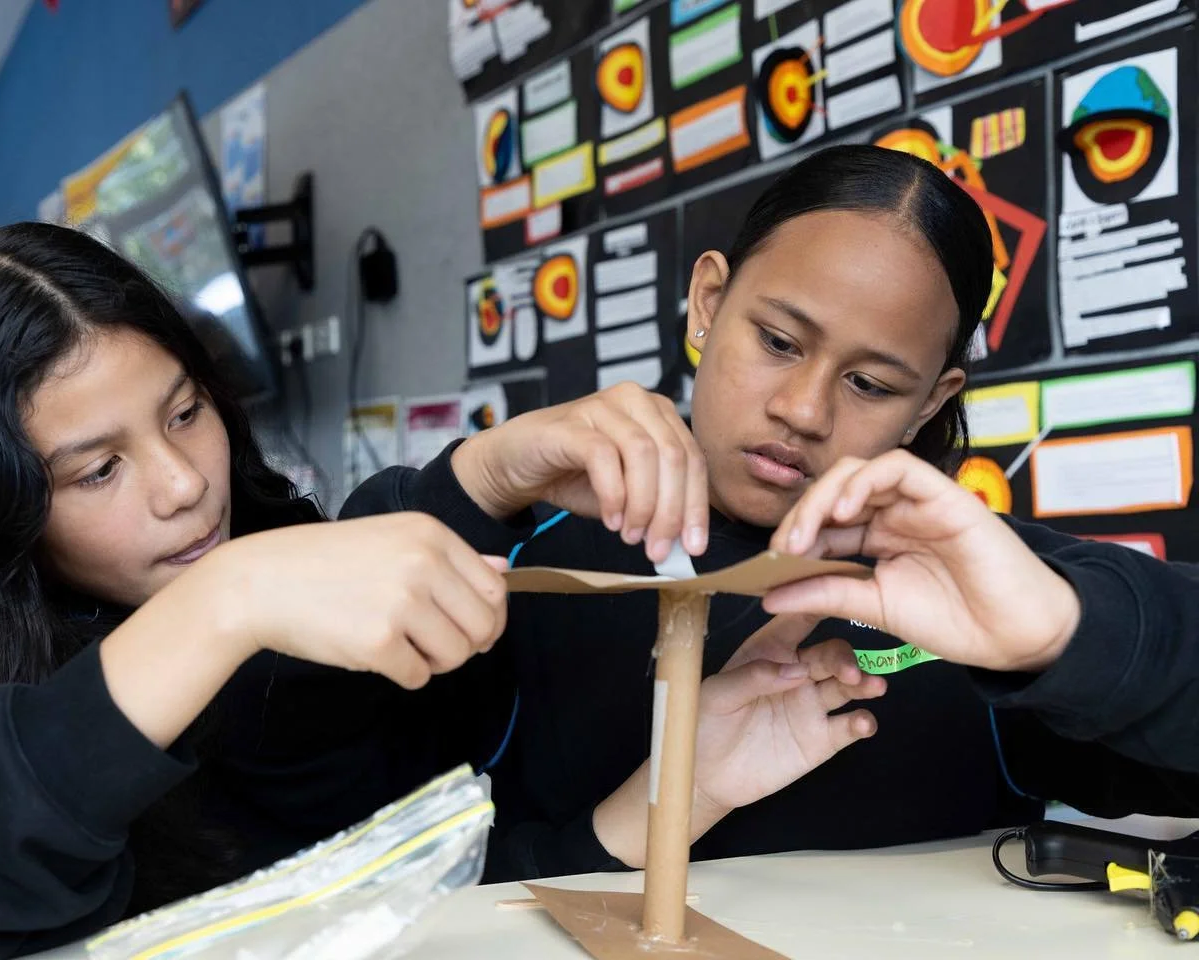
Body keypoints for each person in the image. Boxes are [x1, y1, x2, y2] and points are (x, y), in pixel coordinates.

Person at [0, 223, 858, 957]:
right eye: (97, 470)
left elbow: (404, 869)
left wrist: (684, 783)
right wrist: (221, 603)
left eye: (185, 409)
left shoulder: (282, 545)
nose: (185, 484)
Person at [345, 144, 1199, 881]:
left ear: (929, 402)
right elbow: (315, 801)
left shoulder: (981, 592)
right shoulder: (528, 545)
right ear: (709, 304)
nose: (802, 409)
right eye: (779, 341)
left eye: (870, 384)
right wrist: (476, 485)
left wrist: (1064, 636)